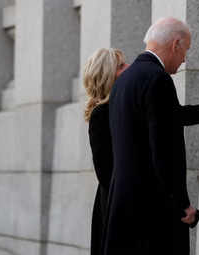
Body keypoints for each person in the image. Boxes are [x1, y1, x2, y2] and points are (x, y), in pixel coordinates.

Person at [103, 17, 199, 254]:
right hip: (153, 213)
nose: (185, 59)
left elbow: (172, 117)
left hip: (124, 209)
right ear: (175, 44)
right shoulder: (158, 79)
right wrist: (181, 205)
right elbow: (164, 150)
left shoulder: (124, 81)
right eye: (185, 50)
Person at [83, 48, 129, 255]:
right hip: (115, 206)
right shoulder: (101, 114)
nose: (128, 68)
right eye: (120, 66)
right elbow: (105, 172)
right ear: (107, 76)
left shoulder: (122, 104)